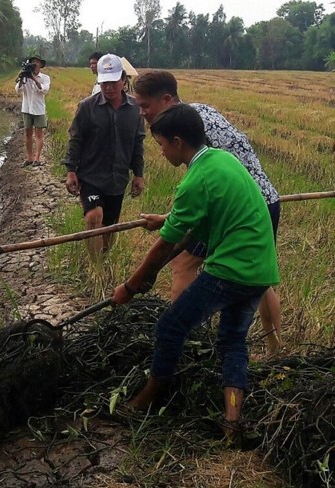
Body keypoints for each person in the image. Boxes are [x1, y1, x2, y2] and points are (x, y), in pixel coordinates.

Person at [112, 104, 279, 438]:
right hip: (261, 270)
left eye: (160, 145)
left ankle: (147, 398)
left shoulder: (194, 180)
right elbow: (192, 227)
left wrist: (130, 287)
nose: (160, 152)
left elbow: (164, 247)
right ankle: (232, 421)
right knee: (233, 341)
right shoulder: (222, 160)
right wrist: (167, 221)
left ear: (177, 142)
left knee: (170, 327)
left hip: (230, 270)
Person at [132, 70, 283, 356]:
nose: (143, 113)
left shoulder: (189, 125)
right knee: (257, 279)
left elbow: (206, 190)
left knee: (182, 265)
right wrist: (169, 217)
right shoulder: (200, 113)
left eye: (145, 106)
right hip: (264, 201)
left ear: (166, 100)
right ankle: (275, 350)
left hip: (243, 210)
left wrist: (170, 226)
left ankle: (187, 343)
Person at [63, 53, 145, 259]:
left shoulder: (135, 109)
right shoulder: (87, 107)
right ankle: (95, 266)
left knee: (110, 227)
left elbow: (137, 144)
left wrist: (138, 174)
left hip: (118, 178)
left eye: (113, 82)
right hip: (90, 175)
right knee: (94, 215)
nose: (108, 87)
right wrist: (71, 171)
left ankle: (104, 260)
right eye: (104, 83)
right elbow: (76, 139)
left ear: (123, 81)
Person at [15, 55, 50, 166]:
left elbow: (44, 90)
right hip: (27, 108)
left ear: (40, 64)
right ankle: (29, 158)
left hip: (39, 109)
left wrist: (34, 79)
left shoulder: (45, 78)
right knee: (27, 134)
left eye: (37, 62)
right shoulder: (25, 77)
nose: (35, 64)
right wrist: (21, 77)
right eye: (33, 62)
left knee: (39, 134)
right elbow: (18, 90)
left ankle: (37, 158)